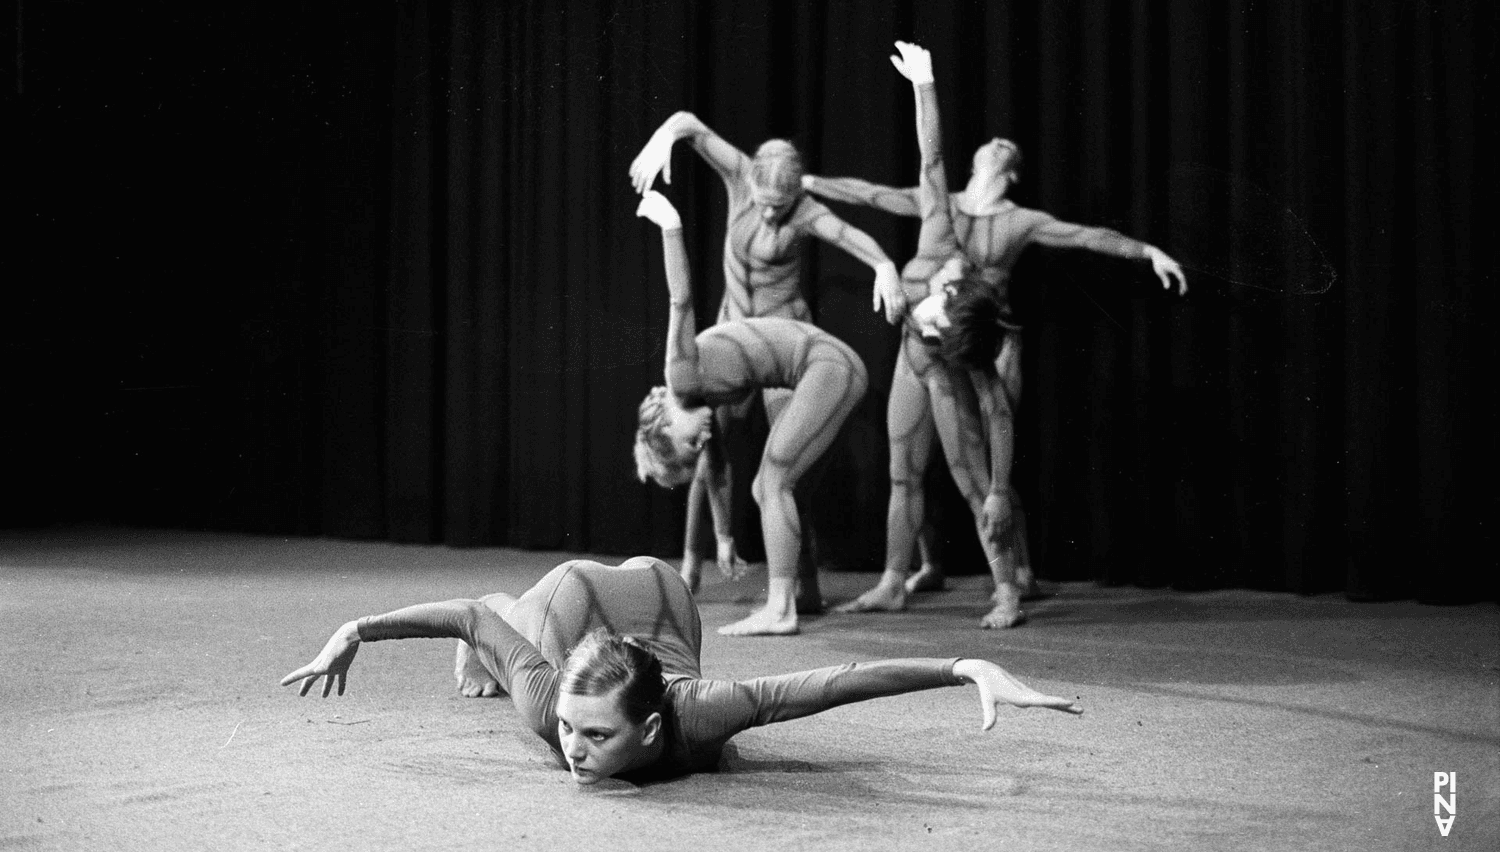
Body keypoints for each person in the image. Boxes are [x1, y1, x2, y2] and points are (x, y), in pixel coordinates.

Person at [811, 54, 1188, 629]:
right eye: (988, 141)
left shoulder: (1019, 221)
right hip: (918, 345)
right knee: (904, 464)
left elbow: (1086, 237)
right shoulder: (938, 204)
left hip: (976, 345)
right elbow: (885, 184)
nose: (994, 139)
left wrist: (1147, 250)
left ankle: (1013, 581)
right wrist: (811, 182)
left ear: (1009, 171)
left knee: (983, 468)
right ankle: (898, 578)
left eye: (1002, 145)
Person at [279, 556, 1082, 785]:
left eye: (593, 735)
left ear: (655, 727)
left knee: (497, 653)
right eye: (568, 731)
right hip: (575, 599)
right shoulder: (550, 704)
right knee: (499, 637)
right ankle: (521, 595)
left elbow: (831, 681)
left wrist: (961, 663)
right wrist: (357, 628)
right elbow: (468, 616)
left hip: (665, 595)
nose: (571, 749)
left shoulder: (704, 711)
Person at [629, 113, 906, 597]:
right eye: (765, 204)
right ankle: (695, 561)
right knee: (704, 447)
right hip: (733, 331)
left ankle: (805, 583)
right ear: (749, 182)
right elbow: (690, 124)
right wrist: (662, 138)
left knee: (787, 467)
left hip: (784, 340)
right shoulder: (738, 173)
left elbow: (846, 234)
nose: (773, 213)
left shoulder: (804, 211)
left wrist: (883, 264)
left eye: (782, 206)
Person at [632, 187, 868, 636]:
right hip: (829, 369)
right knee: (787, 488)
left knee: (771, 481)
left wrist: (670, 224)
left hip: (828, 367)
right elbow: (717, 470)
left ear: (663, 417)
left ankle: (780, 610)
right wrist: (723, 538)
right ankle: (806, 592)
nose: (701, 440)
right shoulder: (699, 404)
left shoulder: (681, 376)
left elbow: (680, 300)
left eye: (689, 441)